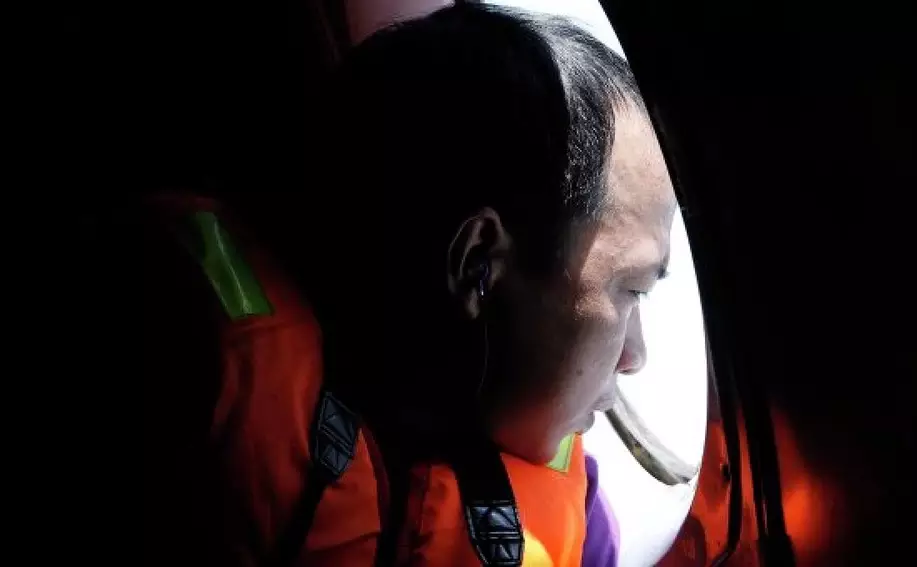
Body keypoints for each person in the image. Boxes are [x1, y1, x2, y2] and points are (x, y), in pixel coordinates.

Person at [141, 4, 675, 566]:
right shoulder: (179, 381)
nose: (635, 356)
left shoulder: (581, 513)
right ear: (478, 262)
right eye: (632, 290)